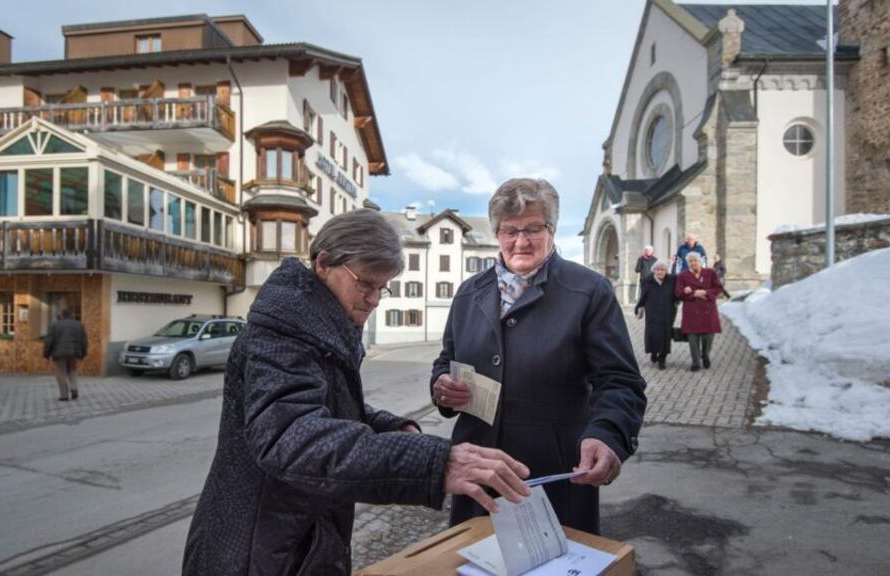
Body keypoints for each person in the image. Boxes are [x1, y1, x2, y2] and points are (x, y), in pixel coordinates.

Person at [182, 209, 532, 576]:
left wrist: (389, 427)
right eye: (365, 284)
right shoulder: (282, 331)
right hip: (255, 548)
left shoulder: (318, 322)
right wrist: (433, 463)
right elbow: (291, 436)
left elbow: (326, 406)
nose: (375, 299)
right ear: (323, 264)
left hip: (293, 538)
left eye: (382, 288)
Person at [430, 178, 647, 535]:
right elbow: (447, 359)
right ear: (497, 233)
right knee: (473, 557)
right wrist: (440, 385)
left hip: (552, 473)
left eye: (533, 228)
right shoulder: (469, 293)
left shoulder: (588, 290)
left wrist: (607, 434)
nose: (520, 241)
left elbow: (620, 381)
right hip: (477, 469)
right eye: (509, 230)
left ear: (552, 230)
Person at [675, 252, 723, 372]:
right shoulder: (683, 275)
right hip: (691, 311)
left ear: (700, 261)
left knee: (708, 336)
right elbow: (678, 293)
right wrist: (693, 294)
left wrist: (706, 292)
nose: (693, 263)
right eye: (690, 261)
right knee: (693, 338)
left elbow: (718, 288)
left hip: (708, 310)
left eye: (695, 260)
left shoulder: (710, 273)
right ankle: (695, 362)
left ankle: (705, 355)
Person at [635, 261, 678, 369]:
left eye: (662, 270)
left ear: (666, 271)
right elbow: (643, 296)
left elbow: (677, 293)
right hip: (652, 312)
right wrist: (638, 308)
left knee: (666, 335)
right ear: (654, 270)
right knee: (653, 333)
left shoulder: (672, 279)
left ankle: (662, 359)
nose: (660, 272)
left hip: (668, 312)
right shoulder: (647, 281)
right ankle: (654, 352)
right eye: (658, 270)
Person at [43, 309, 87, 401]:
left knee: (61, 372)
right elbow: (84, 341)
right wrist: (83, 353)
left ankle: (64, 395)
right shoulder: (79, 325)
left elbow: (49, 341)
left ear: (61, 315)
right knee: (72, 370)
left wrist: (46, 354)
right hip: (74, 352)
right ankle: (74, 388)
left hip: (59, 353)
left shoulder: (54, 325)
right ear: (71, 315)